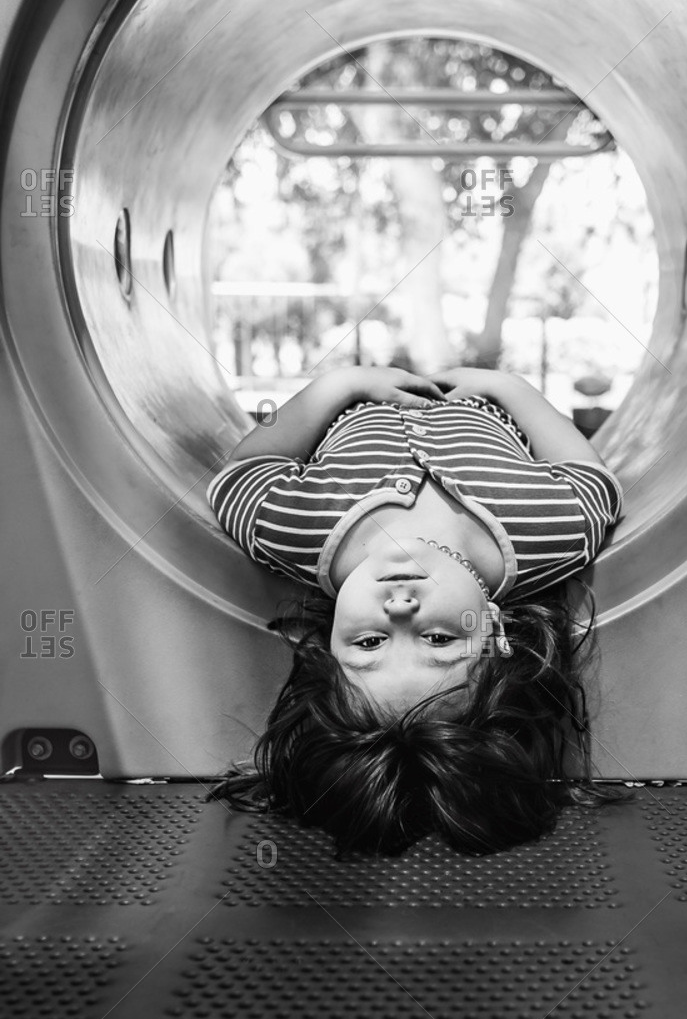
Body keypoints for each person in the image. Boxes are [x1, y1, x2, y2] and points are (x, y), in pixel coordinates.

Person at [206, 365, 625, 856]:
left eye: (369, 643)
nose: (401, 608)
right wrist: (508, 387)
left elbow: (242, 474)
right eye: (439, 639)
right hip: (480, 396)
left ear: (327, 644)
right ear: (494, 633)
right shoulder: (552, 532)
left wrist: (343, 384)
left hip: (365, 396)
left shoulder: (292, 528)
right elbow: (593, 480)